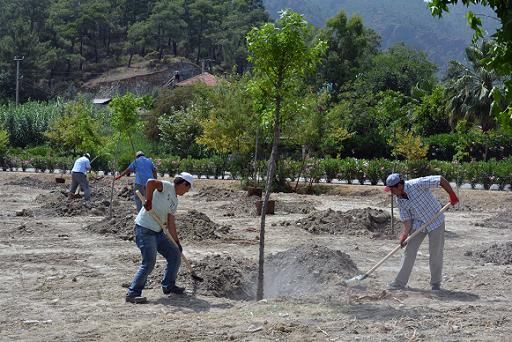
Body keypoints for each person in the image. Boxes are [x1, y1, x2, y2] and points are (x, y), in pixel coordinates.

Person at [125, 172, 194, 304]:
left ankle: (169, 285)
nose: (187, 191)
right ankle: (133, 293)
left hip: (158, 232)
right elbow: (150, 182)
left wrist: (177, 243)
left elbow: (171, 222)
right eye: (188, 188)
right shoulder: (166, 186)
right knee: (149, 262)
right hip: (145, 229)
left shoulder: (175, 201)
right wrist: (149, 199)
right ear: (184, 183)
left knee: (175, 254)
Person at [385, 173, 459, 292]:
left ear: (399, 185)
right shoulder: (399, 200)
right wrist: (404, 234)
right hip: (418, 225)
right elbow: (407, 219)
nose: (391, 192)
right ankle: (399, 282)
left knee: (435, 253)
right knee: (409, 252)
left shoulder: (417, 184)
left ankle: (435, 283)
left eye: (392, 189)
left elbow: (440, 179)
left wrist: (452, 194)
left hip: (436, 221)